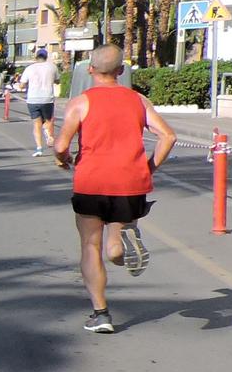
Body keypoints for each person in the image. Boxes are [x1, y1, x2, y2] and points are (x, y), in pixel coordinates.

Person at [52, 44, 176, 332]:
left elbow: (60, 146)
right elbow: (168, 136)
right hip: (130, 183)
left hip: (91, 181)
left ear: (91, 69)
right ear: (121, 71)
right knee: (113, 244)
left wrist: (63, 159)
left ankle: (101, 314)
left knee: (89, 245)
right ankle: (120, 249)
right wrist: (149, 167)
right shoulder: (138, 100)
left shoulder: (81, 102)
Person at [21, 47, 61, 155]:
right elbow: (57, 81)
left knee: (36, 124)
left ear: (36, 57)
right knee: (47, 121)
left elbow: (22, 84)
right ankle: (48, 135)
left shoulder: (29, 68)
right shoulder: (52, 67)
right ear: (46, 57)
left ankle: (39, 148)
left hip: (33, 99)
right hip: (47, 98)